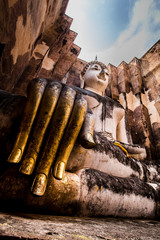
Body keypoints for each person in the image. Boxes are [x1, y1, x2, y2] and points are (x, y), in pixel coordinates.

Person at [0, 61, 159, 218]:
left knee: (149, 170)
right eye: (96, 69)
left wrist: (124, 148)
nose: (103, 74)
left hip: (112, 153)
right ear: (83, 74)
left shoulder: (118, 108)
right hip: (79, 140)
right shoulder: (70, 91)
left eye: (106, 73)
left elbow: (125, 144)